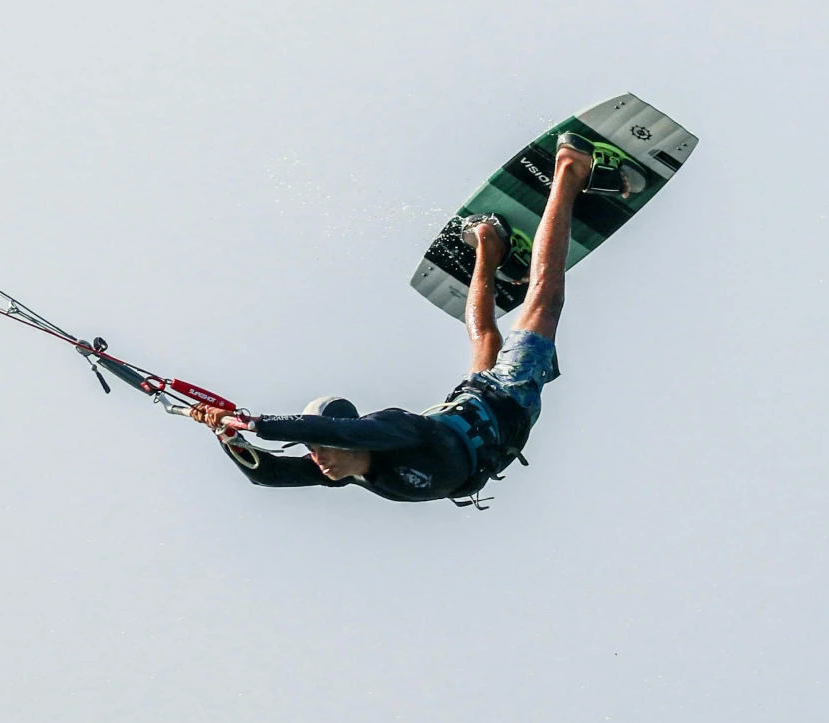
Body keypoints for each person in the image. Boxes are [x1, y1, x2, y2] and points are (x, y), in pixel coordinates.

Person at [190, 132, 613, 503]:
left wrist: (252, 422)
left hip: (509, 397)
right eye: (313, 450)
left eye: (318, 446)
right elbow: (270, 475)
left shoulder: (388, 431)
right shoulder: (344, 472)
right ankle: (488, 242)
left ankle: (569, 170)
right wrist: (226, 433)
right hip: (478, 410)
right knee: (483, 335)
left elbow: (345, 435)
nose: (316, 459)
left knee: (544, 299)